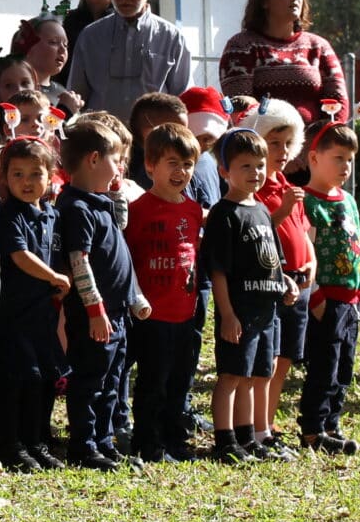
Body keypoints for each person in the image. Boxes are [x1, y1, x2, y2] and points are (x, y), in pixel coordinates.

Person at [55, 118, 149, 468]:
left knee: (112, 380)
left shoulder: (100, 203)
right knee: (91, 381)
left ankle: (105, 439)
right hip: (96, 316)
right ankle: (84, 444)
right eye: (114, 159)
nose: (120, 167)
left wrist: (134, 299)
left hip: (117, 313)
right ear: (93, 159)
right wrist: (94, 309)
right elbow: (79, 263)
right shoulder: (76, 208)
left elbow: (118, 255)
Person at [201, 128, 297, 466]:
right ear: (225, 170)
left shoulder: (259, 210)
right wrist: (227, 313)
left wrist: (284, 281)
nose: (254, 173)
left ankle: (249, 436)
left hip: (266, 309)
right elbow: (219, 271)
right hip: (239, 310)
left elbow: (268, 258)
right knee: (232, 376)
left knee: (260, 375)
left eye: (259, 166)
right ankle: (225, 439)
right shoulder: (224, 214)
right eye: (245, 166)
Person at [126, 122, 204, 462]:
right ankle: (148, 441)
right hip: (152, 313)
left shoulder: (193, 209)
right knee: (152, 382)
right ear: (150, 166)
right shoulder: (139, 210)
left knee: (180, 380)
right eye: (172, 163)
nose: (181, 171)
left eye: (187, 164)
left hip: (185, 311)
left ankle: (175, 438)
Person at [0, 137, 67, 472]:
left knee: (46, 377)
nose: (26, 182)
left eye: (35, 174)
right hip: (13, 314)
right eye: (17, 174)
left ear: (50, 177)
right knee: (19, 378)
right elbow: (20, 256)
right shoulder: (9, 215)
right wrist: (54, 277)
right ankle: (12, 445)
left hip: (43, 314)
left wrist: (62, 278)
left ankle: (37, 441)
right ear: (4, 178)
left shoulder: (50, 215)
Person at [243, 99, 312, 454]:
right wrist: (283, 208)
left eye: (288, 143)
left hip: (301, 284)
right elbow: (259, 232)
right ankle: (256, 427)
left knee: (285, 358)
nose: (282, 152)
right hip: (273, 284)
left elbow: (303, 229)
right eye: (274, 143)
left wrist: (312, 260)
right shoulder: (256, 191)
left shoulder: (287, 182)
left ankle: (267, 423)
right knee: (266, 360)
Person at [300, 121, 360, 455]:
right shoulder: (307, 204)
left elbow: (356, 248)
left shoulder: (349, 201)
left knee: (344, 365)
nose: (345, 166)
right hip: (325, 300)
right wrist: (314, 297)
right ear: (314, 158)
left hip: (350, 302)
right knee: (324, 365)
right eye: (338, 158)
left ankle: (333, 422)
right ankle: (313, 429)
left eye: (350, 160)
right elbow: (304, 253)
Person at [218, 0, 349, 141]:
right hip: (263, 155)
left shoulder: (318, 46)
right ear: (264, 1)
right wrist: (283, 149)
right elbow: (241, 110)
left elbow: (338, 103)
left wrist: (315, 147)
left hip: (315, 154)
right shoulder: (241, 47)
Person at [70, 0, 192, 117]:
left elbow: (185, 100)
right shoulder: (90, 37)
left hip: (153, 138)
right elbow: (75, 97)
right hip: (103, 137)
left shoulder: (172, 38)